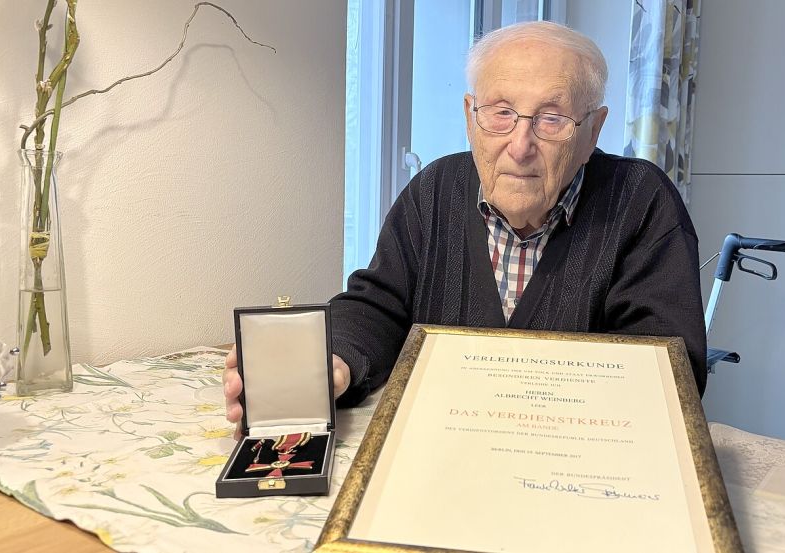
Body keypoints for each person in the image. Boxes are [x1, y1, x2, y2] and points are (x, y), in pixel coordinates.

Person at [224, 21, 706, 426]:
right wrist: (334, 360)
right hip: (441, 451)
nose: (520, 145)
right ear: (470, 117)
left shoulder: (641, 202)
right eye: (500, 113)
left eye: (551, 118)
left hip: (574, 469)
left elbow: (667, 367)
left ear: (593, 130)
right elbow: (380, 303)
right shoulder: (435, 190)